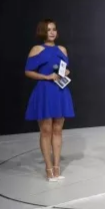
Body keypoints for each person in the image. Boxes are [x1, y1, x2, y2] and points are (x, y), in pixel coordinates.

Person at [24, 19, 75, 181]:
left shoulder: (62, 49)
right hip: (45, 91)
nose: (52, 32)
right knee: (46, 130)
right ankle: (48, 168)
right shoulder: (37, 49)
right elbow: (28, 71)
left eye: (54, 29)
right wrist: (46, 77)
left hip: (60, 90)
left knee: (58, 129)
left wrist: (66, 72)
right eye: (48, 30)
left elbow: (64, 68)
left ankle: (57, 167)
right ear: (42, 32)